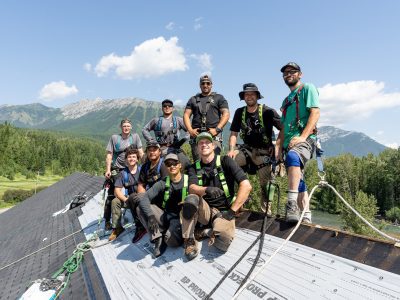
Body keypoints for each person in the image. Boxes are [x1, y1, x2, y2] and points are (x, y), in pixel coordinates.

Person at [181, 132, 252, 260]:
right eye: (200, 143)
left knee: (223, 242)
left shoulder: (226, 161)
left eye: (207, 142)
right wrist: (206, 189)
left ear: (213, 145)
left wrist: (232, 211)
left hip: (224, 211)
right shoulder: (193, 168)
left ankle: (205, 232)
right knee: (191, 199)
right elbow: (192, 188)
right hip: (205, 211)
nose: (204, 145)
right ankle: (189, 239)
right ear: (197, 148)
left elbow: (246, 186)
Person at [275, 62, 320, 223]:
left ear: (300, 74)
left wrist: (302, 136)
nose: (288, 74)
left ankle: (291, 203)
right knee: (297, 179)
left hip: (304, 140)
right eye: (285, 73)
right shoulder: (286, 101)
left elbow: (315, 112)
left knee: (293, 157)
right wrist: (278, 147)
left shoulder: (307, 89)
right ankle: (306, 216)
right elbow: (282, 128)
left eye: (292, 71)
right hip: (288, 143)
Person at [228, 83, 282, 215]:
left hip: (264, 152)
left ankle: (266, 212)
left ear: (257, 96)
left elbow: (283, 128)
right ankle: (236, 199)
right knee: (228, 163)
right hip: (246, 150)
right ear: (243, 97)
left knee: (266, 184)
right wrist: (231, 150)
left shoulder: (268, 111)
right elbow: (233, 134)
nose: (249, 96)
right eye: (247, 94)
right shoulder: (239, 112)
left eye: (252, 94)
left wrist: (278, 147)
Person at [136, 153, 188, 257]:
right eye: (168, 164)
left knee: (170, 241)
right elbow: (145, 198)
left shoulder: (188, 180)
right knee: (140, 208)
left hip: (180, 219)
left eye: (174, 163)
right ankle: (157, 238)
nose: (172, 166)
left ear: (180, 165)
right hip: (165, 216)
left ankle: (173, 235)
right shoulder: (163, 182)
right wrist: (150, 216)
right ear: (166, 167)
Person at [104, 119, 144, 230]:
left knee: (136, 187)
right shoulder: (115, 138)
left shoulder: (135, 137)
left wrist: (146, 165)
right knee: (112, 194)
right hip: (117, 168)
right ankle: (108, 220)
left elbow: (140, 152)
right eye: (124, 126)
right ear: (121, 127)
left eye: (128, 126)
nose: (126, 128)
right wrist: (108, 170)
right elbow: (109, 155)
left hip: (131, 167)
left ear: (131, 127)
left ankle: (137, 212)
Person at [127, 141, 169, 243]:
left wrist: (146, 197)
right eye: (149, 150)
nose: (152, 152)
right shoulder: (145, 166)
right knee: (132, 198)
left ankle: (156, 229)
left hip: (161, 198)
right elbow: (141, 184)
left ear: (159, 151)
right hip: (149, 196)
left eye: (154, 150)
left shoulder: (163, 165)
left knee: (137, 202)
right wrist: (143, 196)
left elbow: (166, 186)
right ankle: (140, 226)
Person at [183, 74, 230, 161]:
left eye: (208, 83)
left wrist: (217, 129)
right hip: (196, 135)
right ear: (200, 85)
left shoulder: (219, 97)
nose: (205, 85)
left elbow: (226, 114)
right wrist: (190, 130)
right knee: (198, 162)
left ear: (211, 85)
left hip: (214, 135)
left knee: (215, 161)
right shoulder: (193, 99)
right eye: (203, 83)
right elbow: (186, 115)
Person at [142, 99, 191, 170]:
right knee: (146, 164)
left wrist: (183, 141)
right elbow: (144, 130)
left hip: (175, 148)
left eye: (170, 106)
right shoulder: (156, 120)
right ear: (162, 108)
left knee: (186, 163)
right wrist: (151, 140)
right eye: (164, 106)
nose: (167, 107)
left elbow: (190, 130)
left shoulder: (178, 120)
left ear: (173, 108)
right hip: (160, 149)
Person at [109, 147, 141, 241]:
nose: (131, 159)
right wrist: (126, 200)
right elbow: (117, 191)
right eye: (129, 157)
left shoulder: (142, 170)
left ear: (137, 159)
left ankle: (142, 225)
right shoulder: (123, 173)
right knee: (115, 201)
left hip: (141, 198)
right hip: (129, 199)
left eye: (134, 157)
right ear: (126, 159)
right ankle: (117, 227)